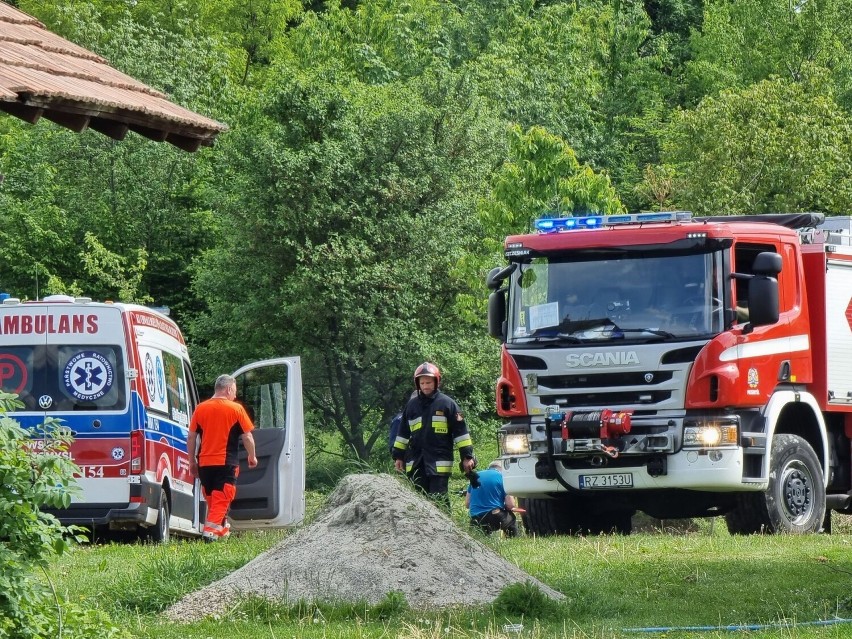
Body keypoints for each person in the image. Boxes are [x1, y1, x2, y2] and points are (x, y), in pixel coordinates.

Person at [392, 362, 475, 508]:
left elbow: (461, 434)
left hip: (439, 463)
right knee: (418, 502)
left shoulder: (448, 404)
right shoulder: (411, 406)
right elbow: (402, 433)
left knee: (439, 501)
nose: (425, 386)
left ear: (436, 381)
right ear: (417, 384)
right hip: (416, 462)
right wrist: (398, 456)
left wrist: (467, 457)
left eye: (428, 382)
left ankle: (445, 530)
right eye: (422, 382)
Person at [188, 374, 257, 542]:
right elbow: (247, 437)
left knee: (214, 501)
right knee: (222, 499)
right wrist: (252, 456)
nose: (235, 395)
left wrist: (192, 462)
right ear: (228, 389)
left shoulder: (200, 408)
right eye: (234, 391)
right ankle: (209, 534)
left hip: (205, 464)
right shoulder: (236, 409)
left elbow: (191, 437)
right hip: (226, 463)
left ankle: (222, 533)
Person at [465, 460, 519, 537]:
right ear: (502, 469)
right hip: (494, 515)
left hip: (475, 519)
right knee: (511, 519)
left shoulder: (476, 476)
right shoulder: (503, 477)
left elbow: (467, 504)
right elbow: (510, 505)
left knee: (480, 537)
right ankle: (513, 539)